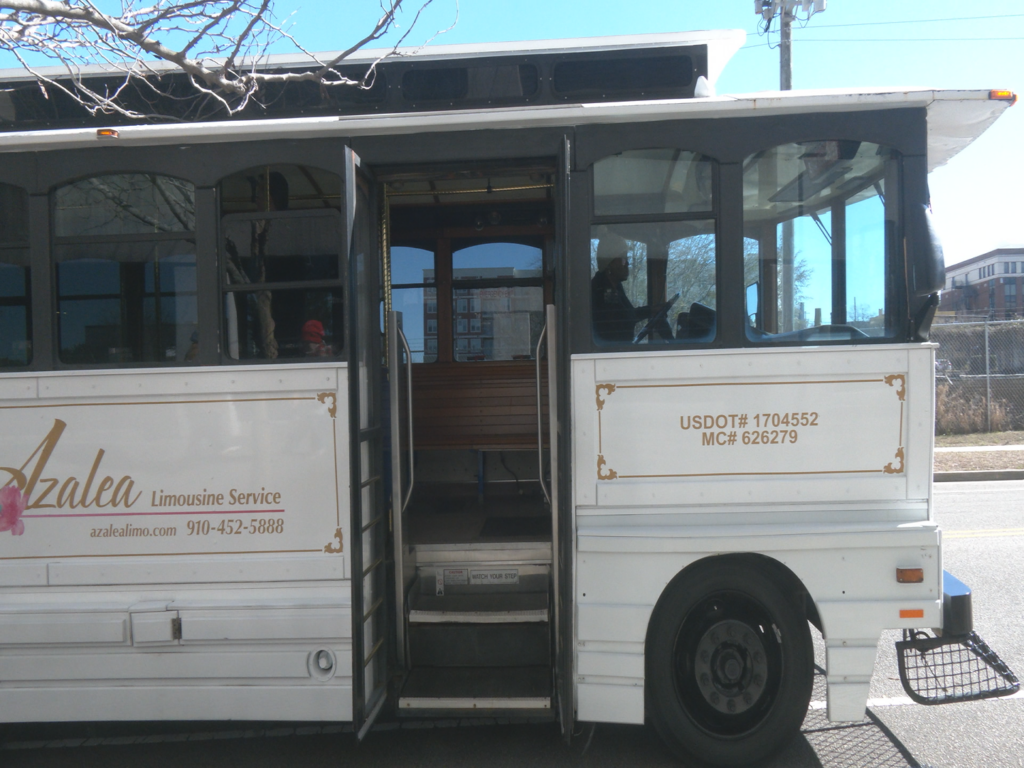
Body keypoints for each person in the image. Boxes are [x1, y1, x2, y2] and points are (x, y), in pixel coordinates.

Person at [591, 234, 673, 343]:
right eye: (623, 259)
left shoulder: (614, 286)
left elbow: (625, 314)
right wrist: (649, 311)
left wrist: (652, 310)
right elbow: (620, 321)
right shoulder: (601, 290)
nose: (627, 263)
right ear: (609, 263)